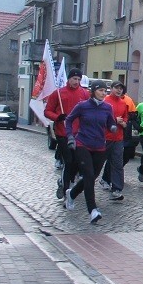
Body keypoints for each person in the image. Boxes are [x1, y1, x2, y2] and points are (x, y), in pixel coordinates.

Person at [63, 80, 117, 223]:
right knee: (88, 175)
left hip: (99, 146)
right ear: (93, 91)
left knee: (92, 177)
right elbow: (68, 120)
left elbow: (110, 121)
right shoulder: (83, 106)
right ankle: (92, 210)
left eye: (105, 91)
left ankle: (72, 193)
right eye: (100, 91)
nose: (103, 93)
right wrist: (70, 136)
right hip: (82, 144)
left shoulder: (107, 107)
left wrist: (112, 126)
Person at [45, 67, 89, 199]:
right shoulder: (58, 93)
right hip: (63, 132)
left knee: (77, 161)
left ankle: (65, 181)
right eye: (74, 79)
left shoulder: (85, 94)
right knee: (69, 161)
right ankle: (65, 189)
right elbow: (47, 111)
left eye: (79, 79)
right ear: (69, 79)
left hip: (79, 133)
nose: (76, 81)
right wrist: (58, 117)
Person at [100, 81, 130, 201]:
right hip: (104, 138)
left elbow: (126, 118)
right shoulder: (105, 101)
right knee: (98, 162)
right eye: (116, 88)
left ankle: (117, 189)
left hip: (118, 138)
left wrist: (124, 123)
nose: (119, 90)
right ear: (111, 89)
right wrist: (113, 120)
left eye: (121, 89)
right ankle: (87, 183)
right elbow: (100, 118)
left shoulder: (123, 103)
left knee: (118, 164)